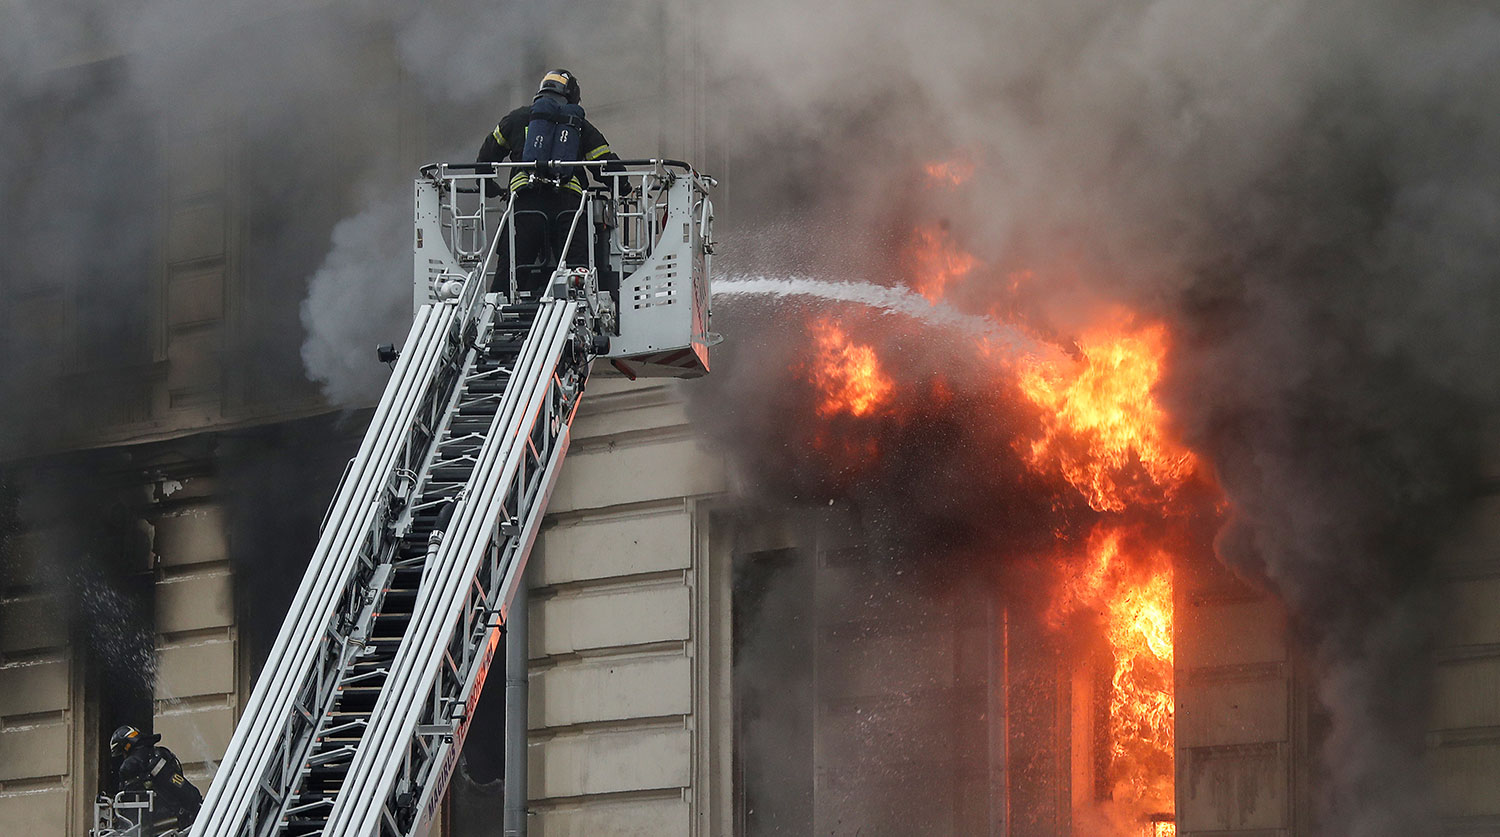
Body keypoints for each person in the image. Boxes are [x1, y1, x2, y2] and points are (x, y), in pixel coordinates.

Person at [476, 68, 622, 297]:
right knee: (575, 266)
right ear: (572, 97)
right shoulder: (578, 125)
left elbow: (484, 161)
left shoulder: (515, 119)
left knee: (511, 267)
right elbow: (607, 167)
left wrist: (491, 189)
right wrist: (624, 188)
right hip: (568, 207)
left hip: (526, 206)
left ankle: (500, 300)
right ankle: (578, 297)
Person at [110, 725, 202, 831]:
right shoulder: (159, 754)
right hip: (177, 817)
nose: (124, 756)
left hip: (155, 823)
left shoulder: (131, 765)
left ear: (126, 746)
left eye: (122, 752)